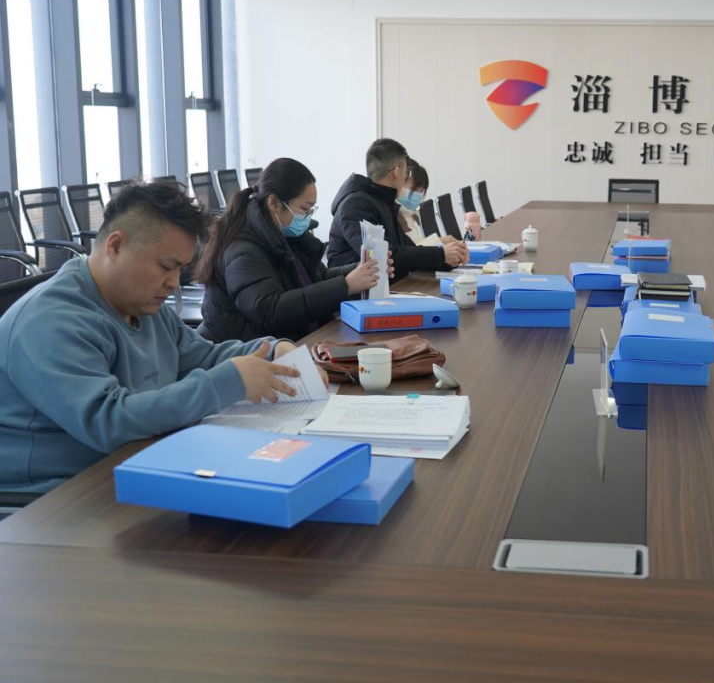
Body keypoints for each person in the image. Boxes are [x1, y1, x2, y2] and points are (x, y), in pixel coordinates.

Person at [0, 181, 316, 492]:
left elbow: (202, 357)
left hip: (135, 461)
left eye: (181, 270)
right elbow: (109, 421)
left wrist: (272, 352)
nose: (174, 283)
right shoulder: (52, 321)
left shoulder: (139, 302)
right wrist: (224, 383)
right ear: (115, 246)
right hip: (57, 496)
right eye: (166, 267)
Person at [196, 157, 390, 343]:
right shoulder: (242, 250)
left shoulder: (285, 235)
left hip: (289, 342)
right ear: (274, 203)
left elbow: (318, 278)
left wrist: (363, 271)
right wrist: (346, 285)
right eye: (304, 209)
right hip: (249, 352)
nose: (307, 217)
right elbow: (271, 311)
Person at [326, 138, 468, 281]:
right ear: (397, 171)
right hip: (360, 292)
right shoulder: (356, 204)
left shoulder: (382, 202)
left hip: (387, 285)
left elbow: (408, 249)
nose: (405, 176)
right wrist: (440, 255)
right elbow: (383, 255)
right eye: (407, 172)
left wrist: (448, 259)